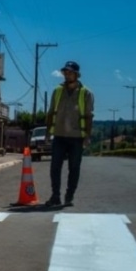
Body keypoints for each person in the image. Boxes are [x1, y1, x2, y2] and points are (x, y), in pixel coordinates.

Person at [44, 61, 94, 207]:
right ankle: (55, 196)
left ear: (77, 75)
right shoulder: (57, 91)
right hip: (59, 135)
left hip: (77, 137)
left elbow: (89, 116)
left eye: (70, 72)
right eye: (65, 72)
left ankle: (69, 196)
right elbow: (51, 112)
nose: (67, 74)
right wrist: (48, 133)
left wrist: (87, 137)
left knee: (74, 168)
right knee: (55, 167)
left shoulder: (86, 93)